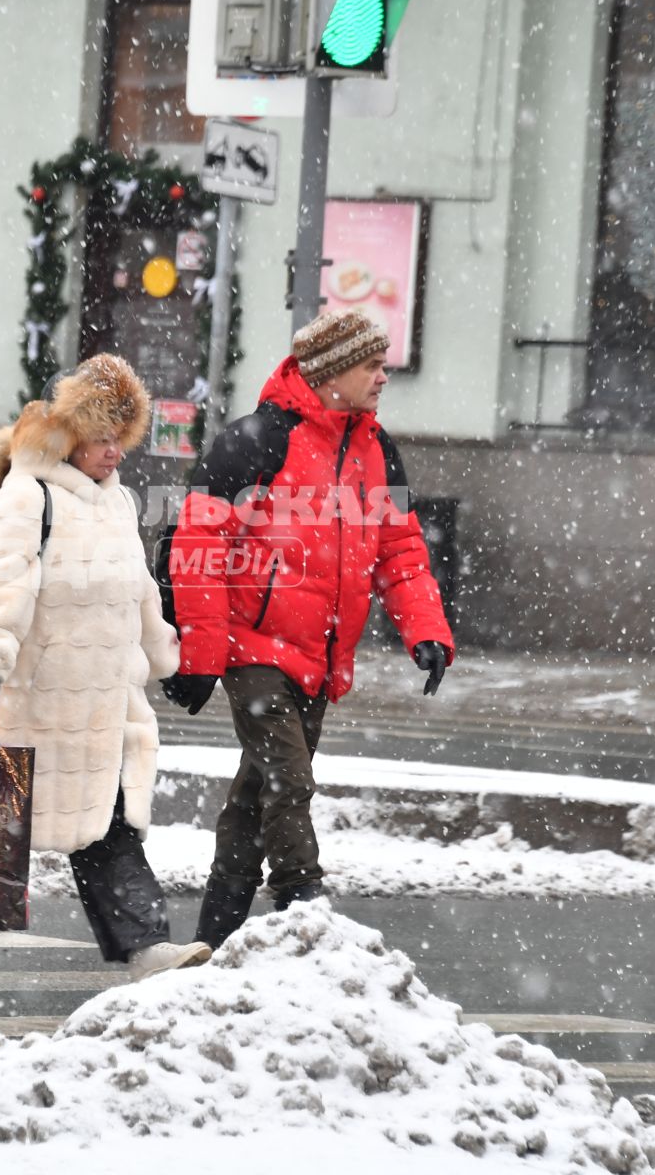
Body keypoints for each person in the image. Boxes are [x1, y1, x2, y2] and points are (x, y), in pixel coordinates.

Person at [0, 353, 212, 987]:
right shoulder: (26, 498)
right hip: (34, 698)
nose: (114, 453)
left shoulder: (118, 503)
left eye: (120, 439)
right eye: (102, 438)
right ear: (67, 435)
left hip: (105, 702)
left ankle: (145, 944)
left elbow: (139, 593)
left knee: (108, 825)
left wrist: (167, 660)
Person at [162, 308, 456, 949]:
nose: (384, 376)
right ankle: (307, 904)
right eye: (372, 365)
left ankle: (215, 940)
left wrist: (425, 630)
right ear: (331, 372)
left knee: (253, 797)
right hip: (254, 650)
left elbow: (401, 550)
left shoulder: (378, 450)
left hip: (321, 660)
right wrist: (202, 657)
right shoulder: (257, 441)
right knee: (289, 780)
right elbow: (196, 546)